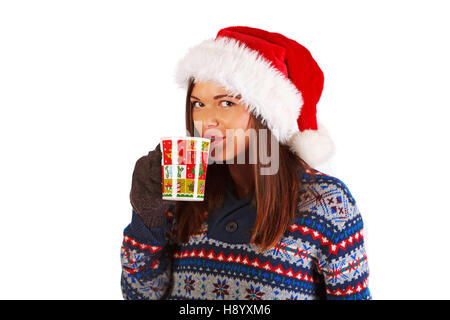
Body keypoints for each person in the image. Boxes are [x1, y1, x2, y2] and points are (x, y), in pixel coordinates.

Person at [120, 26, 372, 300]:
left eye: (226, 103)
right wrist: (147, 217)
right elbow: (141, 296)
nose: (206, 121)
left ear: (266, 114)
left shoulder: (327, 204)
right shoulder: (183, 189)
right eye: (198, 104)